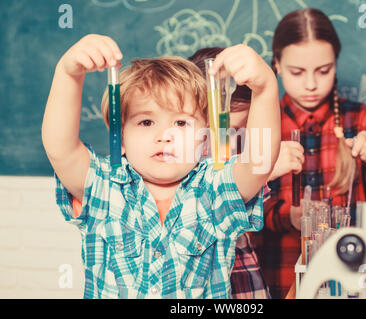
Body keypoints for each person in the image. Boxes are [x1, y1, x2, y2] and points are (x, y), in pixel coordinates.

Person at [41, 34, 281, 298]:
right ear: (120, 137)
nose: (164, 136)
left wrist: (265, 87)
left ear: (205, 139)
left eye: (180, 123)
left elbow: (259, 162)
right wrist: (68, 73)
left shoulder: (216, 190)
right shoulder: (103, 187)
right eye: (146, 122)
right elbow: (59, 147)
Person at [250, 8, 366, 299]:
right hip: (277, 278)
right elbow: (230, 202)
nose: (311, 84)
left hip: (351, 283)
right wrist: (286, 215)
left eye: (323, 71)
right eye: (297, 72)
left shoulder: (359, 120)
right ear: (277, 65)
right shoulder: (260, 123)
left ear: (335, 64)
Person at [189, 47, 270, 299]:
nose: (241, 141)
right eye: (232, 131)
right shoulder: (180, 173)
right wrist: (268, 169)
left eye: (247, 131)